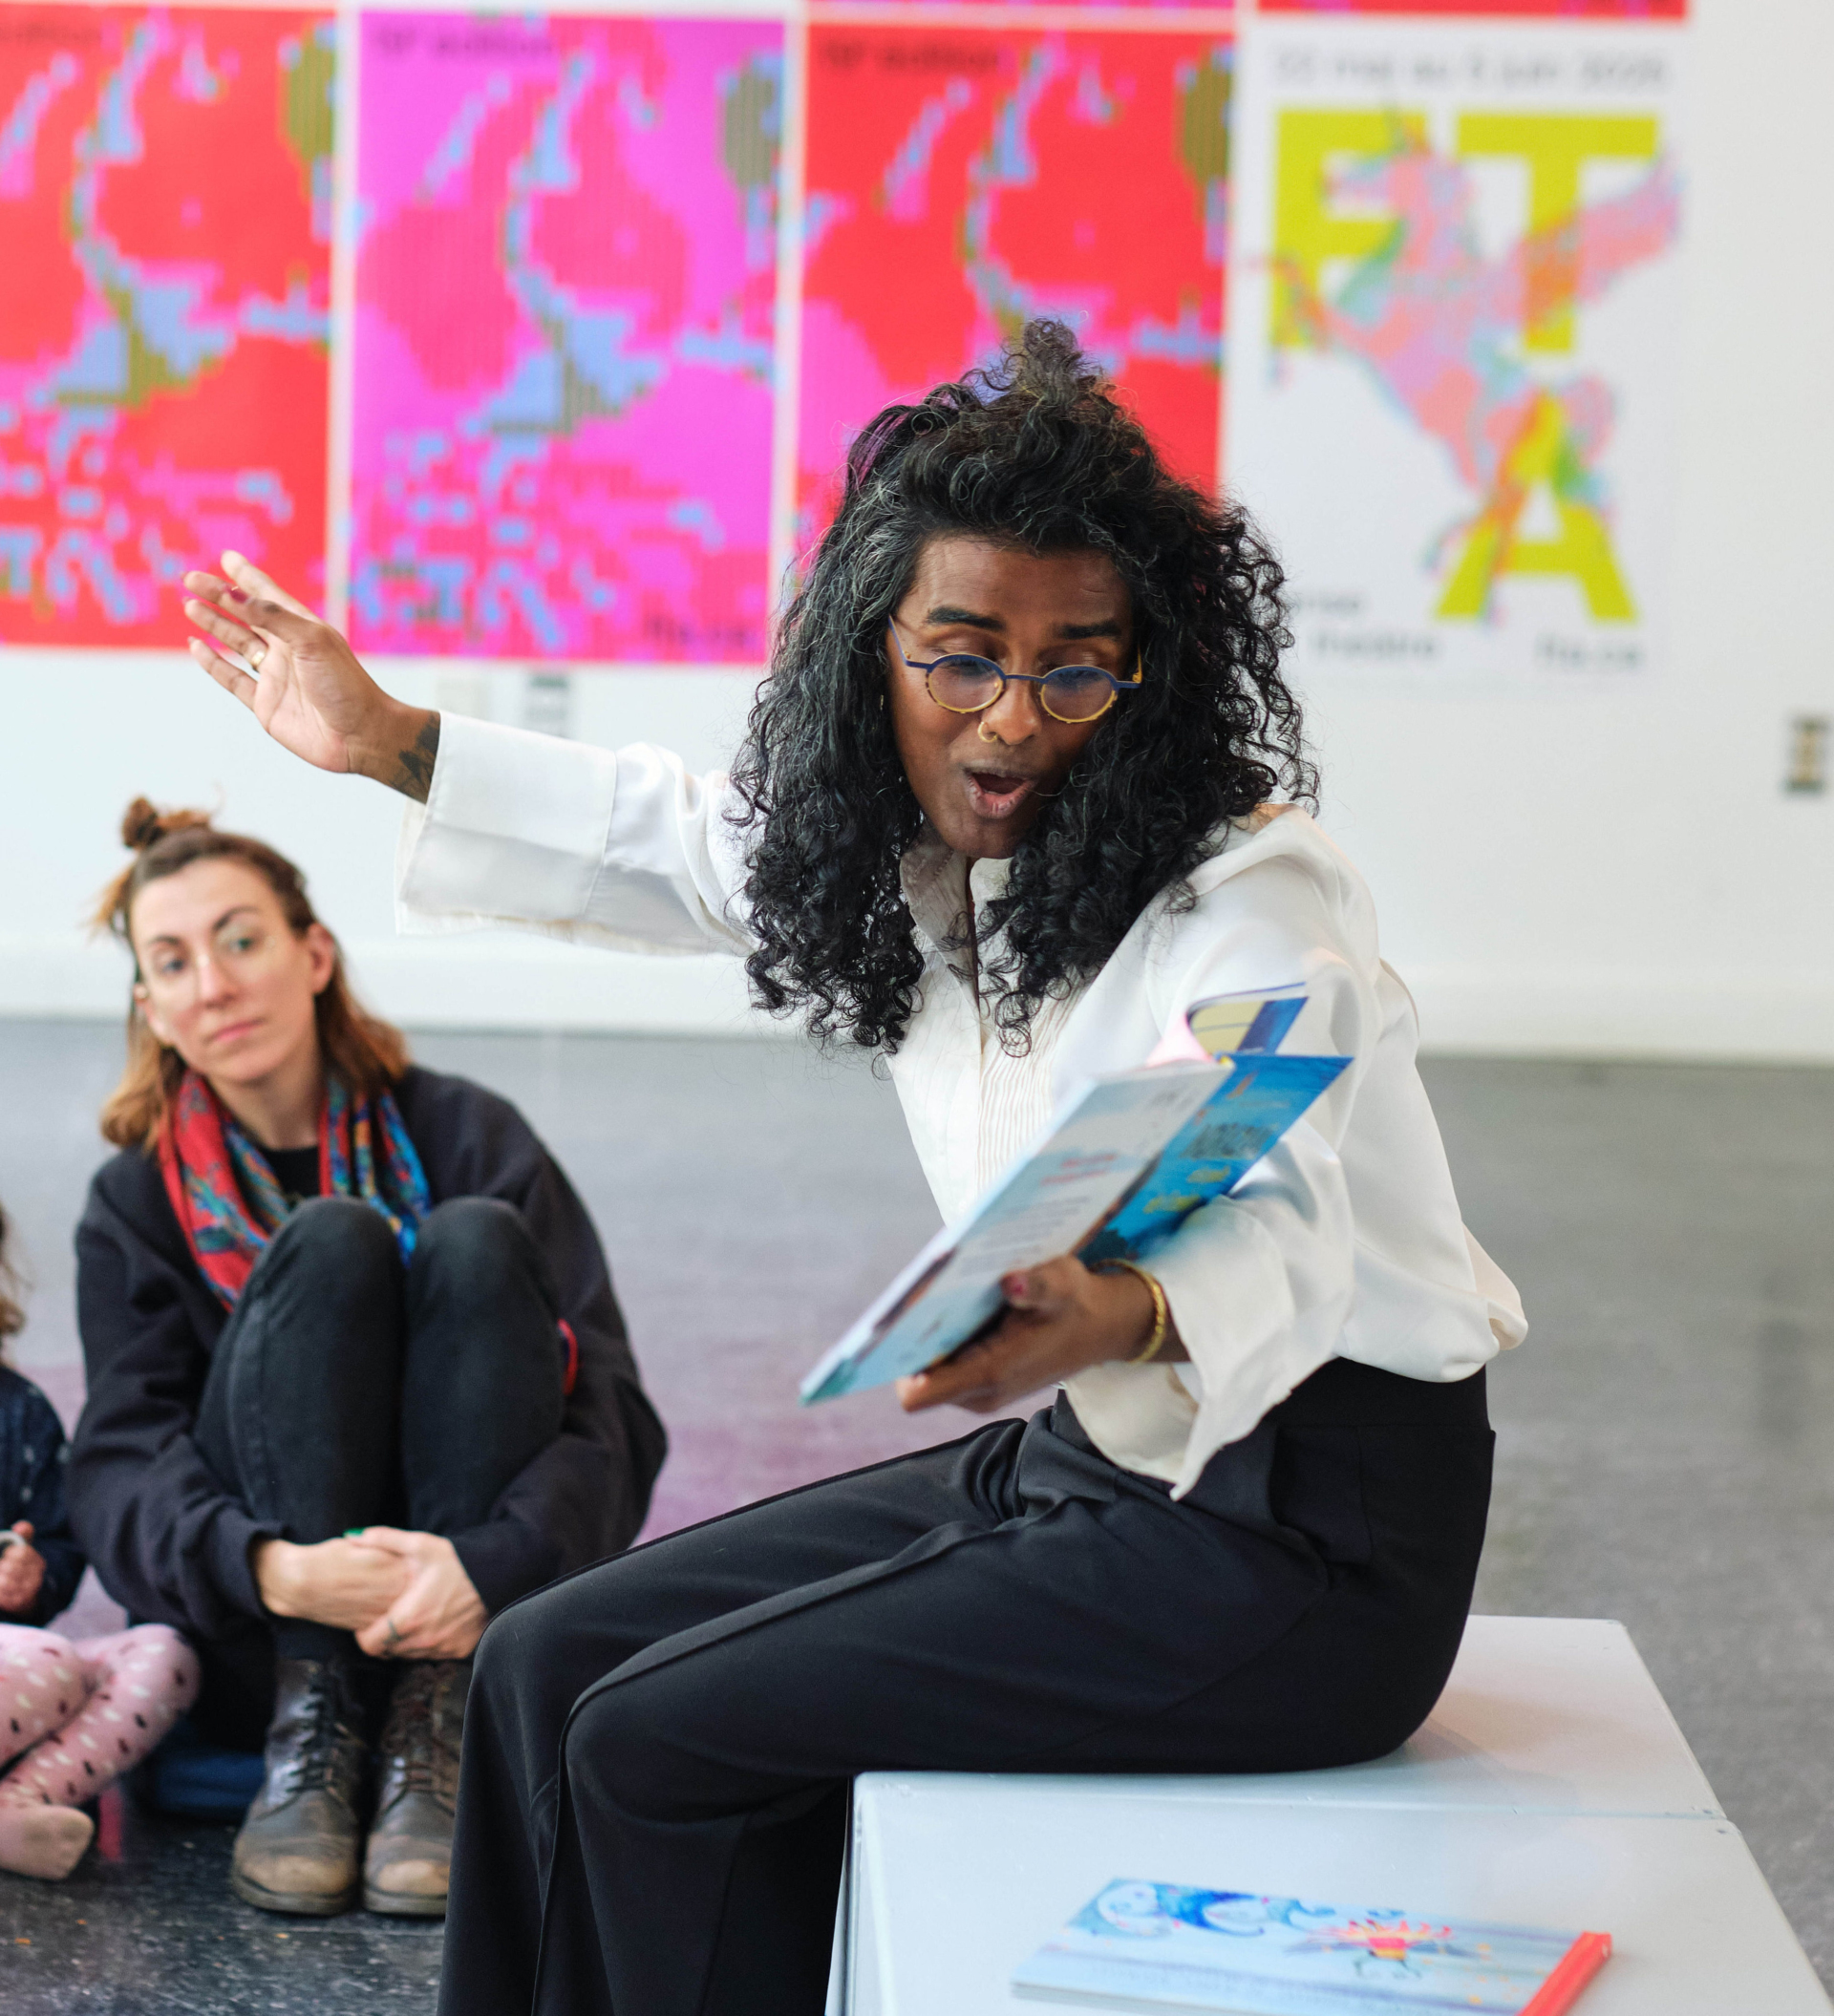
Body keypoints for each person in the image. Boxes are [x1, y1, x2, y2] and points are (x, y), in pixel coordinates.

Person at [180, 322, 1525, 2015]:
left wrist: (1117, 1311)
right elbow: (671, 831)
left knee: (652, 1738)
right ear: (871, 650)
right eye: (960, 659)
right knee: (537, 1656)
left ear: (1148, 680)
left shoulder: (1251, 897)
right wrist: (388, 736)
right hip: (1103, 1464)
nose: (1011, 720)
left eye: (1077, 672)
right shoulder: (917, 857)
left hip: (1307, 1546)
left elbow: (1282, 1194)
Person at [69, 802, 665, 1921]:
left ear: (314, 953)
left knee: (474, 1238)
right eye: (174, 961)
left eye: (242, 939)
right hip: (275, 1629)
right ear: (152, 1007)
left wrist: (488, 1564)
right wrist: (268, 1567)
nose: (215, 983)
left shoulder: (473, 1134)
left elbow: (612, 1413)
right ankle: (320, 1724)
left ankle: (437, 1718)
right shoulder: (135, 1200)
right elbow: (117, 1463)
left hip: (475, 1613)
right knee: (336, 1240)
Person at [0, 1200, 201, 1881]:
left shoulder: (22, 1411)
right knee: (52, 1662)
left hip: (18, 1678)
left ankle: (16, 1809)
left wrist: (35, 1577)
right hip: (36, 1668)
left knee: (163, 1652)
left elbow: (59, 1546)